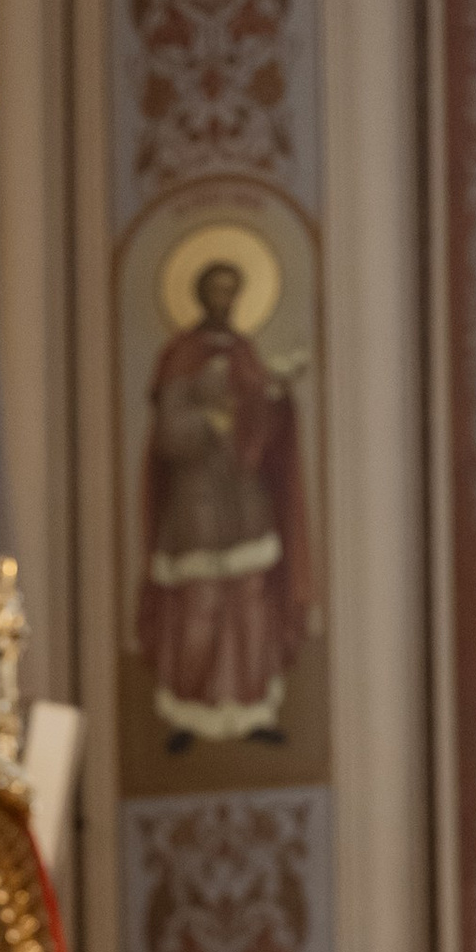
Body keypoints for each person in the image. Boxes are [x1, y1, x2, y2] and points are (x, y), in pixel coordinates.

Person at [137, 257, 312, 746]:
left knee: (251, 603)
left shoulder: (245, 352)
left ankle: (252, 710)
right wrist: (208, 417)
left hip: (244, 501)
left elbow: (264, 434)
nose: (226, 300)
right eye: (217, 290)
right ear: (200, 295)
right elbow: (170, 435)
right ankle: (188, 713)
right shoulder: (181, 356)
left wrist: (274, 401)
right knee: (199, 607)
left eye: (233, 291)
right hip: (196, 504)